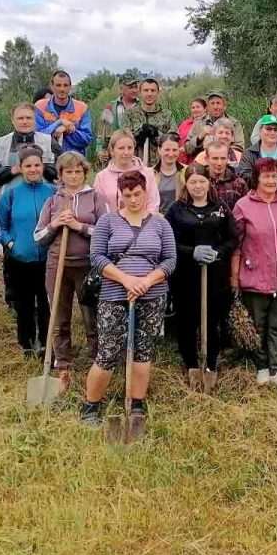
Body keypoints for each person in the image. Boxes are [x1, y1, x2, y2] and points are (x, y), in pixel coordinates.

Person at [82, 170, 177, 424]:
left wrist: (146, 281)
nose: (133, 199)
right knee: (109, 351)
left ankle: (137, 402)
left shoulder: (160, 223)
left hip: (151, 295)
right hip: (114, 294)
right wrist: (126, 280)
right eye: (127, 195)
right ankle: (91, 405)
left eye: (137, 194)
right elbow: (98, 258)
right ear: (120, 196)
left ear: (146, 192)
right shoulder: (108, 222)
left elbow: (169, 260)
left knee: (143, 351)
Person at [33, 151, 107, 385]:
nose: (73, 176)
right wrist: (55, 224)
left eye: (78, 171)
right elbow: (38, 236)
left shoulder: (95, 198)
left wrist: (79, 226)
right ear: (61, 175)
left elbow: (106, 233)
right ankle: (62, 363)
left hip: (87, 265)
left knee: (91, 316)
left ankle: (96, 359)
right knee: (59, 315)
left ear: (85, 173)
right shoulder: (54, 200)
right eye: (68, 172)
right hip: (58, 265)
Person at [231, 158, 277, 395]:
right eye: (266, 176)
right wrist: (234, 275)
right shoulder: (243, 205)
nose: (271, 180)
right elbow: (236, 243)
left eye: (275, 176)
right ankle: (261, 366)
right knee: (257, 326)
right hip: (254, 274)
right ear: (257, 178)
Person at [166, 164, 237, 381]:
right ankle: (191, 363)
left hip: (215, 276)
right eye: (193, 181)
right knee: (186, 321)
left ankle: (211, 364)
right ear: (186, 184)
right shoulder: (176, 209)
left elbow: (233, 238)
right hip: (185, 277)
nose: (198, 186)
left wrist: (218, 252)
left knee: (213, 320)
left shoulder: (221, 208)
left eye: (202, 181)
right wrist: (191, 252)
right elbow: (169, 241)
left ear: (209, 182)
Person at [0, 146, 57, 358]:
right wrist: (11, 244)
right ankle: (27, 344)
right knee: (24, 305)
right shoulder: (11, 195)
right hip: (20, 259)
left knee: (46, 303)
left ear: (43, 166)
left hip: (47, 259)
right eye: (28, 166)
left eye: (37, 165)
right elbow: (0, 225)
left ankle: (47, 343)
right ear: (20, 168)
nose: (33, 169)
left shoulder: (52, 192)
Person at [0, 102, 57, 193]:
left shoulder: (49, 141)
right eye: (20, 118)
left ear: (35, 120)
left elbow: (63, 170)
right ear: (12, 121)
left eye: (28, 118)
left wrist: (41, 168)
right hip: (9, 200)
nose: (25, 122)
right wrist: (12, 171)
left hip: (45, 200)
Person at [93, 130, 160, 214]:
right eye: (121, 148)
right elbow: (99, 208)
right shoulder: (101, 177)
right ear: (112, 150)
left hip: (144, 225)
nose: (126, 152)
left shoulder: (148, 173)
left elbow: (153, 205)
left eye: (130, 148)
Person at [35, 70, 93, 155]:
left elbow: (86, 139)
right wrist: (59, 122)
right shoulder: (40, 106)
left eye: (65, 85)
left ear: (70, 87)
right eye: (58, 85)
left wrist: (67, 129)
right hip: (47, 162)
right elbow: (38, 137)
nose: (62, 89)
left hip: (74, 162)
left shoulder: (82, 107)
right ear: (52, 86)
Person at [123, 76, 175, 168]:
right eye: (146, 90)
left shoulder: (167, 115)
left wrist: (157, 134)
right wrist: (139, 134)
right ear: (140, 93)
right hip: (135, 166)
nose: (149, 94)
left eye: (153, 90)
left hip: (160, 167)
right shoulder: (130, 114)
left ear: (158, 92)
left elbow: (174, 139)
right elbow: (124, 140)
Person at [185, 90, 244, 158]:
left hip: (228, 163)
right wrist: (199, 138)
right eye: (212, 103)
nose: (215, 107)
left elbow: (240, 148)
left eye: (218, 103)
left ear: (224, 106)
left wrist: (218, 152)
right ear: (208, 106)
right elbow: (187, 149)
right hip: (203, 163)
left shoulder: (234, 124)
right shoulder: (198, 123)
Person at [99, 74, 140, 161]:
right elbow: (102, 133)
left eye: (136, 87)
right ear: (121, 89)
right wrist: (100, 150)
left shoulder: (143, 107)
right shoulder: (110, 107)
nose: (135, 90)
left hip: (137, 155)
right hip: (115, 156)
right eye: (131, 87)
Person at [238, 114, 277, 181]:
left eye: (276, 129)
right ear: (260, 131)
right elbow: (244, 177)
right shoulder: (249, 153)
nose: (272, 133)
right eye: (268, 129)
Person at [204, 140, 248, 209]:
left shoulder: (239, 184)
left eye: (223, 158)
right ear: (206, 159)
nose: (219, 163)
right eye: (215, 158)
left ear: (228, 158)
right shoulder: (199, 181)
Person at [154, 134, 185, 213]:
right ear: (159, 150)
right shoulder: (150, 173)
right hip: (157, 219)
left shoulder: (186, 171)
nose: (171, 154)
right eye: (167, 150)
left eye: (174, 150)